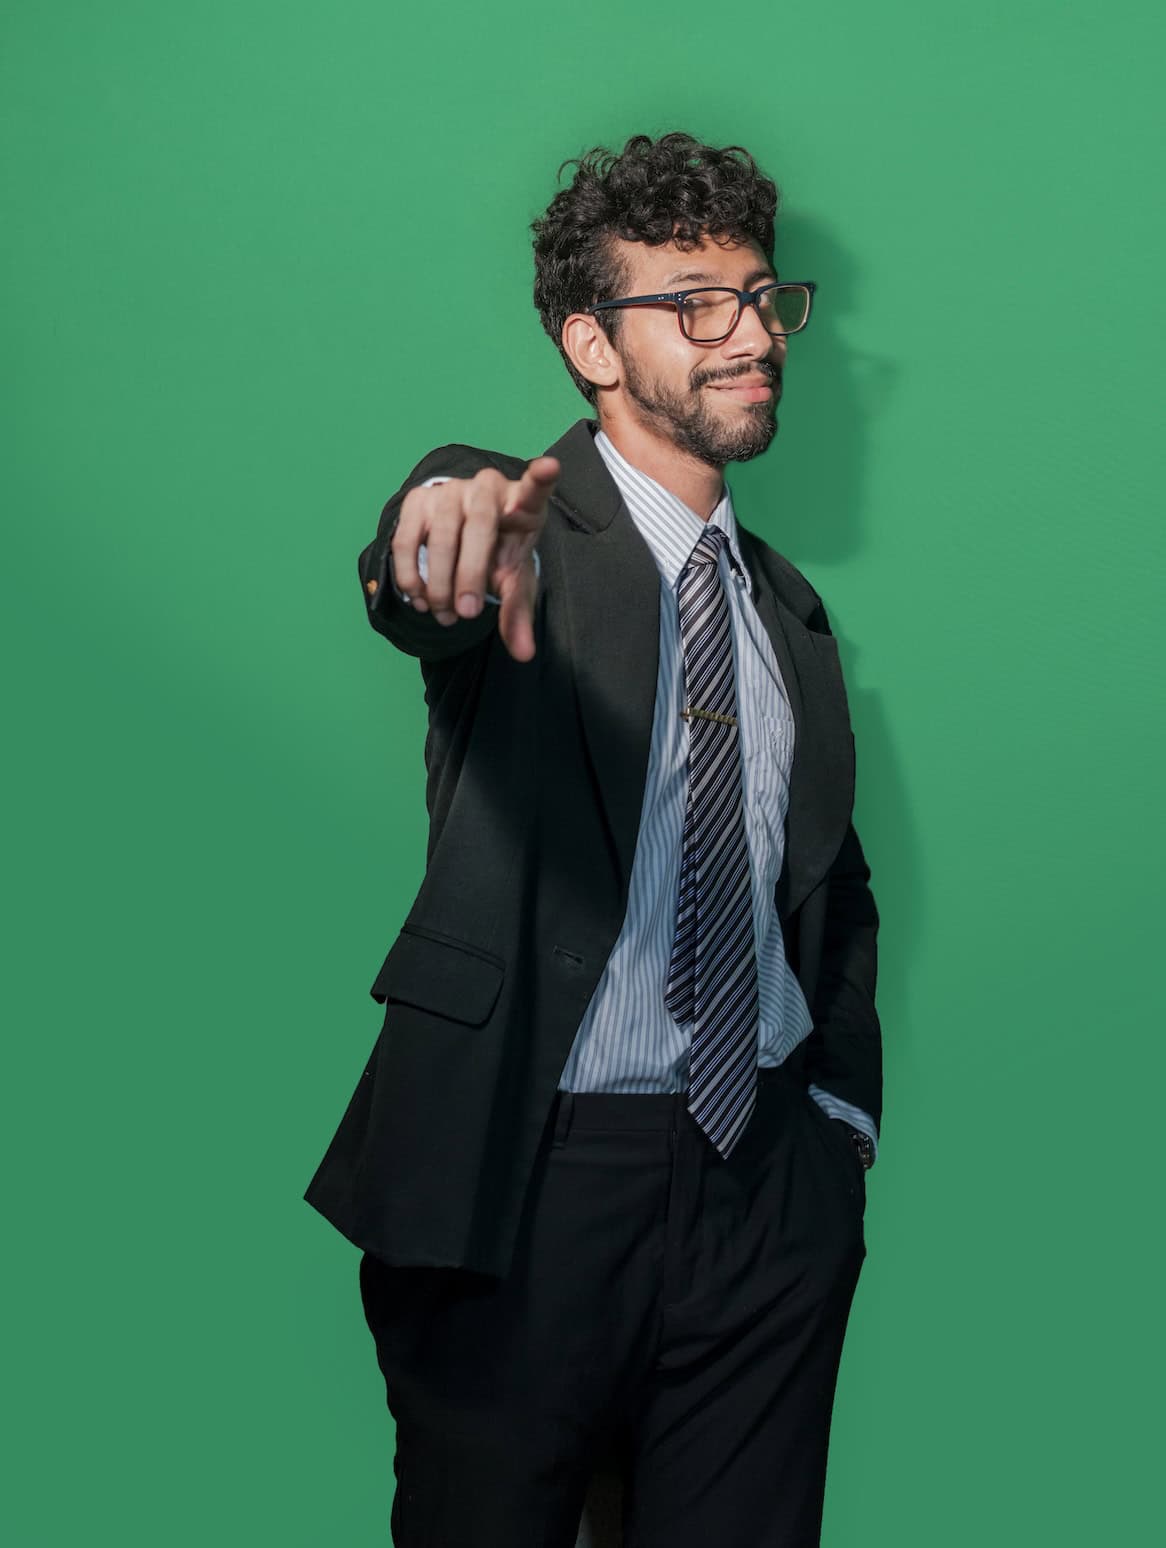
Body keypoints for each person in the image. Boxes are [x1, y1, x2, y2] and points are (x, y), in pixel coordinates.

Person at [303, 129, 882, 1548]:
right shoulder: (522, 535)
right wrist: (437, 525)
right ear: (593, 346)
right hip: (535, 1181)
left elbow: (828, 882)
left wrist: (840, 1123)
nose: (750, 333)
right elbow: (426, 562)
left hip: (766, 1194)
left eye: (760, 296)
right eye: (696, 303)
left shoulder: (788, 616)